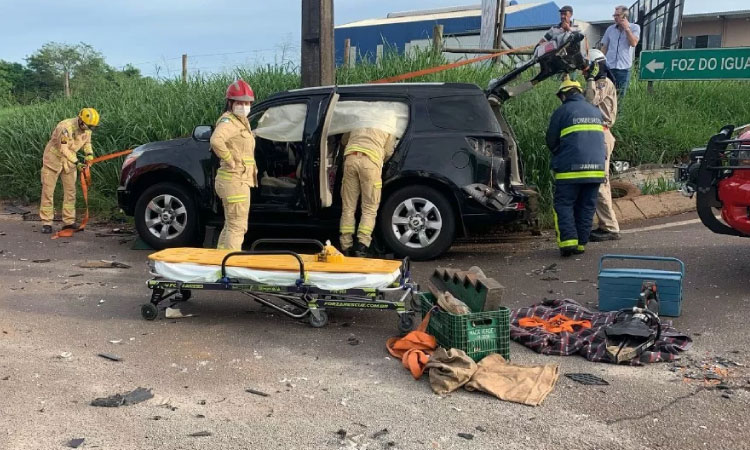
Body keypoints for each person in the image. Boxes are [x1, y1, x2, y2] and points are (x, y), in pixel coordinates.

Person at [546, 79, 606, 257]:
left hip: (570, 170)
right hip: (595, 170)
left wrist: (561, 154)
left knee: (564, 204)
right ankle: (580, 244)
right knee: (586, 206)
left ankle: (567, 243)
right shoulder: (596, 111)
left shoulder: (562, 111)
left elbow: (551, 140)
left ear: (564, 95)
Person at [210, 79, 256, 251]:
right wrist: (230, 160)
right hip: (234, 181)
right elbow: (216, 140)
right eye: (240, 102)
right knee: (238, 227)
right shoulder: (229, 121)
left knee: (230, 225)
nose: (244, 106)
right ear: (230, 103)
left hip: (236, 181)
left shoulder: (241, 121)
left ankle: (220, 261)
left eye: (247, 102)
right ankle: (229, 267)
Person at [39, 108, 100, 234]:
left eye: (92, 127)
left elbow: (87, 142)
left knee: (71, 192)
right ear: (81, 120)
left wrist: (89, 154)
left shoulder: (87, 128)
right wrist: (77, 162)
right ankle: (46, 222)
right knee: (48, 192)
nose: (89, 129)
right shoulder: (65, 128)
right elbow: (64, 149)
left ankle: (68, 222)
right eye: (88, 126)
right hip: (53, 160)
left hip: (69, 162)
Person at [339, 127, 396, 257]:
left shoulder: (360, 115)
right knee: (369, 208)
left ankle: (345, 245)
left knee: (348, 207)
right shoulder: (388, 123)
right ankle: (362, 245)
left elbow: (344, 140)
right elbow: (388, 151)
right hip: (371, 161)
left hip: (351, 159)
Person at [583, 49, 621, 242]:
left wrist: (590, 79)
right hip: (598, 134)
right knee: (598, 182)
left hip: (601, 134)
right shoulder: (601, 82)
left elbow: (590, 100)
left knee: (600, 183)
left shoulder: (602, 83)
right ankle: (605, 224)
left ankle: (610, 227)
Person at [600, 5, 640, 97]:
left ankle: (619, 112)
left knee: (620, 96)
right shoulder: (610, 29)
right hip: (609, 67)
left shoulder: (635, 28)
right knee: (607, 95)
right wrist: (600, 62)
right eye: (614, 15)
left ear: (624, 16)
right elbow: (604, 47)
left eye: (617, 15)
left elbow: (633, 43)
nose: (615, 17)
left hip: (623, 69)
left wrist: (627, 29)